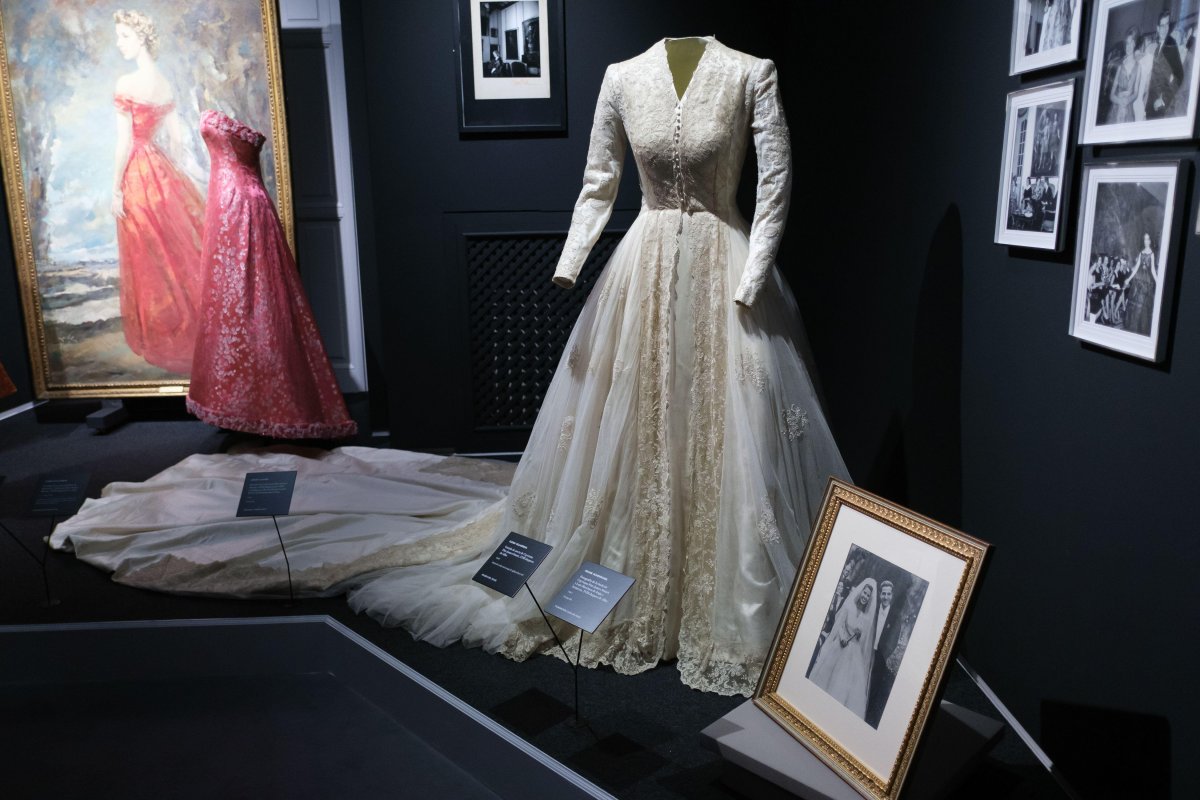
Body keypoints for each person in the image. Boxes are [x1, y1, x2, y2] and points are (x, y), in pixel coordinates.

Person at [349, 36, 850, 696]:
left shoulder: (753, 73)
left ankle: (730, 600)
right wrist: (571, 261)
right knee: (629, 432)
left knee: (738, 431)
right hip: (641, 273)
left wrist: (754, 275)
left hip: (727, 272)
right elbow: (599, 182)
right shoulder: (622, 77)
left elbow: (776, 182)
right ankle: (625, 587)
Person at [185, 111, 357, 439]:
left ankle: (274, 406)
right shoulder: (213, 120)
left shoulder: (233, 134)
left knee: (260, 300)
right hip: (225, 205)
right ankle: (236, 405)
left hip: (243, 205)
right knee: (231, 304)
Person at [111, 9, 206, 375]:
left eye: (123, 37)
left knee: (146, 253)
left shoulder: (125, 82)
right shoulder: (165, 84)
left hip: (136, 171)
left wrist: (115, 187)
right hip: (160, 170)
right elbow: (178, 141)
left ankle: (160, 328)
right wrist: (173, 171)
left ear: (139, 38)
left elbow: (123, 143)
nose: (119, 44)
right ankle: (184, 319)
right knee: (169, 251)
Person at [807, 578, 877, 718]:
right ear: (861, 592)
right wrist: (842, 637)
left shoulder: (866, 618)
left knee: (845, 684)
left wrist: (859, 635)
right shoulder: (849, 607)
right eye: (864, 593)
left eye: (868, 596)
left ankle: (834, 714)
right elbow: (839, 625)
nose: (865, 597)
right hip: (840, 644)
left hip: (854, 652)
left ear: (869, 599)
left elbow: (863, 641)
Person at [866, 579, 903, 727]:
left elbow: (893, 641)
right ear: (880, 594)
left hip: (880, 657)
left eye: (888, 594)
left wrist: (883, 656)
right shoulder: (874, 609)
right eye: (883, 593)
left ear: (892, 596)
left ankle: (866, 716)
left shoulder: (895, 617)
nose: (886, 597)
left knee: (874, 686)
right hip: (867, 651)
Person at [1146, 11, 1184, 119]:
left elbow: (1179, 76)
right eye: (1162, 25)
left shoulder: (1170, 44)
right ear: (1157, 28)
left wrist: (1163, 100)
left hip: (1161, 107)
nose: (1164, 28)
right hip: (1151, 104)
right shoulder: (1158, 47)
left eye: (1166, 25)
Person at [1123, 232, 1158, 336]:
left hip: (1147, 284)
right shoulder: (1141, 253)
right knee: (1135, 309)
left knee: (1143, 309)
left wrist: (1158, 283)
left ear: (1150, 241)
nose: (1146, 241)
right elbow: (1136, 268)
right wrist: (1128, 279)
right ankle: (1133, 332)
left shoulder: (1152, 254)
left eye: (1148, 239)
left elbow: (1152, 270)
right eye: (1144, 239)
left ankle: (1141, 333)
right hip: (1138, 282)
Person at [1108, 27, 1143, 123]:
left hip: (1129, 112)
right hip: (1116, 110)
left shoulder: (1138, 67)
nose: (1129, 47)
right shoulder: (1120, 65)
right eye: (1127, 43)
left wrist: (1127, 100)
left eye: (1132, 43)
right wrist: (1119, 101)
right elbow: (1111, 95)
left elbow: (1136, 93)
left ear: (1135, 44)